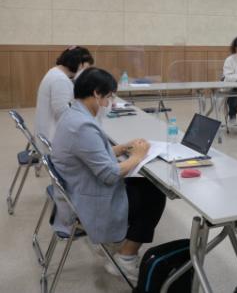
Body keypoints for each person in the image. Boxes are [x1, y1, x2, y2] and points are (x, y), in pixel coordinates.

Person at [51, 67, 166, 282]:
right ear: (96, 93)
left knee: (143, 185)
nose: (108, 103)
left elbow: (91, 154)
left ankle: (116, 244)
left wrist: (122, 148)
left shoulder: (72, 114)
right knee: (155, 195)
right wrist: (138, 156)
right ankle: (125, 258)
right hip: (86, 197)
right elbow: (110, 174)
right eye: (108, 96)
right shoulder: (82, 126)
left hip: (78, 186)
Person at [35, 46, 94, 140]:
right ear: (79, 64)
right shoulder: (60, 80)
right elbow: (63, 116)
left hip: (46, 133)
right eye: (85, 68)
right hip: (52, 138)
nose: (84, 73)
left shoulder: (55, 72)